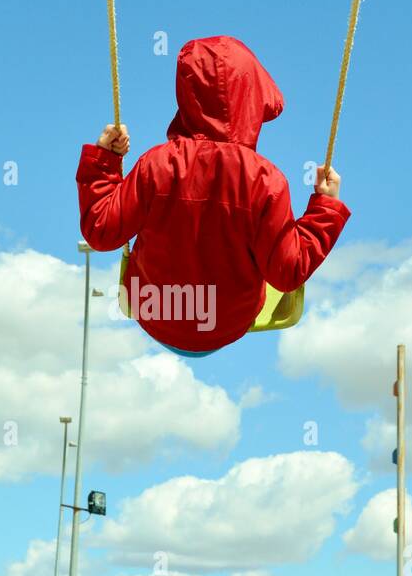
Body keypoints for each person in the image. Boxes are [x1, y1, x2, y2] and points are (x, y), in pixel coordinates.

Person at [75, 35, 350, 354]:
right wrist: (325, 208)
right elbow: (288, 272)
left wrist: (105, 162)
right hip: (227, 322)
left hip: (156, 311)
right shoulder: (265, 179)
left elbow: (102, 232)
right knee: (270, 254)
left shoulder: (156, 163)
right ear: (252, 98)